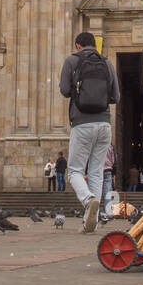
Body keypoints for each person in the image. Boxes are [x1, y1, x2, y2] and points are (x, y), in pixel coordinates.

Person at [58, 31, 120, 233]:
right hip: (104, 124)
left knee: (75, 171)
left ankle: (88, 200)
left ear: (78, 46)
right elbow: (116, 97)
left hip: (82, 122)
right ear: (95, 45)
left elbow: (64, 90)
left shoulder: (71, 61)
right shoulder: (107, 63)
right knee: (96, 171)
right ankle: (88, 221)